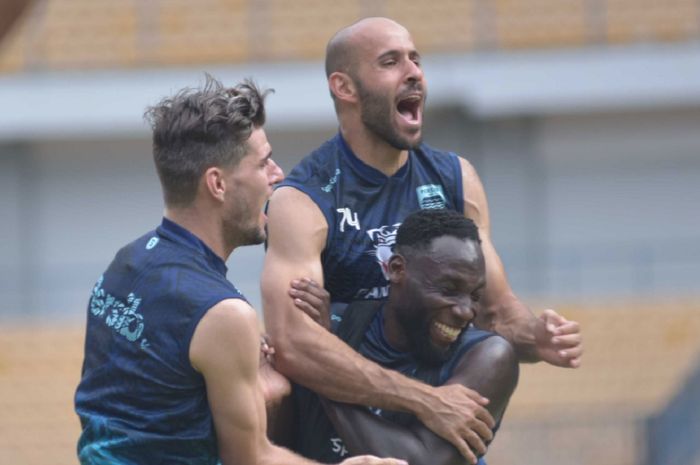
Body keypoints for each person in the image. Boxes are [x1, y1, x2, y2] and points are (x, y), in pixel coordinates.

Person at [261, 16, 583, 464]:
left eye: (416, 59)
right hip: (350, 421)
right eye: (390, 62)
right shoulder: (304, 199)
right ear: (345, 87)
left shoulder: (457, 179)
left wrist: (535, 335)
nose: (413, 72)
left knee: (496, 354)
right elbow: (293, 344)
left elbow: (494, 308)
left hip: (435, 416)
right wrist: (423, 401)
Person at [73, 75, 406, 465]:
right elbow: (250, 459)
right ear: (217, 183)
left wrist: (265, 389)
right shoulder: (224, 313)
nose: (277, 175)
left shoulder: (123, 265)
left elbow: (150, 407)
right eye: (263, 163)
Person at [287, 209, 519, 464]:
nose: (466, 312)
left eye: (475, 296)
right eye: (449, 290)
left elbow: (418, 461)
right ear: (397, 269)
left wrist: (322, 372)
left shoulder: (488, 356)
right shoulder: (333, 325)